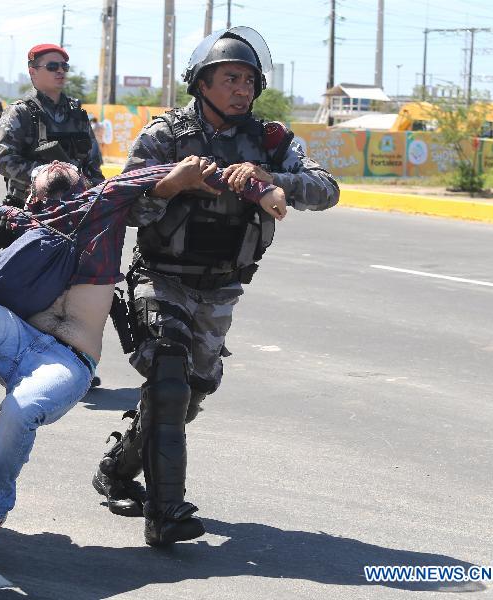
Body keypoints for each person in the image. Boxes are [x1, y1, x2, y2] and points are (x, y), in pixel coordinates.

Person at [0, 156, 278, 546]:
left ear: (83, 184)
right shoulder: (21, 221)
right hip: (16, 343)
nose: (59, 169)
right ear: (31, 196)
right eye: (48, 174)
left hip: (66, 362)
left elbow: (175, 170)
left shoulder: (100, 209)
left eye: (69, 173)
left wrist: (262, 188)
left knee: (19, 410)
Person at [91, 26, 340, 547]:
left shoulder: (270, 141)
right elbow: (127, 207)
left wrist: (272, 181)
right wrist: (172, 183)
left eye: (249, 80)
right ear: (202, 83)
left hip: (223, 288)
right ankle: (166, 514)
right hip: (163, 279)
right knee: (167, 375)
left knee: (190, 396)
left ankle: (117, 467)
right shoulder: (165, 136)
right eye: (231, 78)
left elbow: (326, 189)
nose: (243, 89)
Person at [0, 43, 104, 209]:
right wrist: (50, 177)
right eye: (52, 66)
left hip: (76, 208)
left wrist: (98, 195)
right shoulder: (19, 112)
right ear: (33, 72)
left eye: (64, 66)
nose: (60, 70)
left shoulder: (76, 113)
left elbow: (93, 164)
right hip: (31, 208)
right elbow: (5, 161)